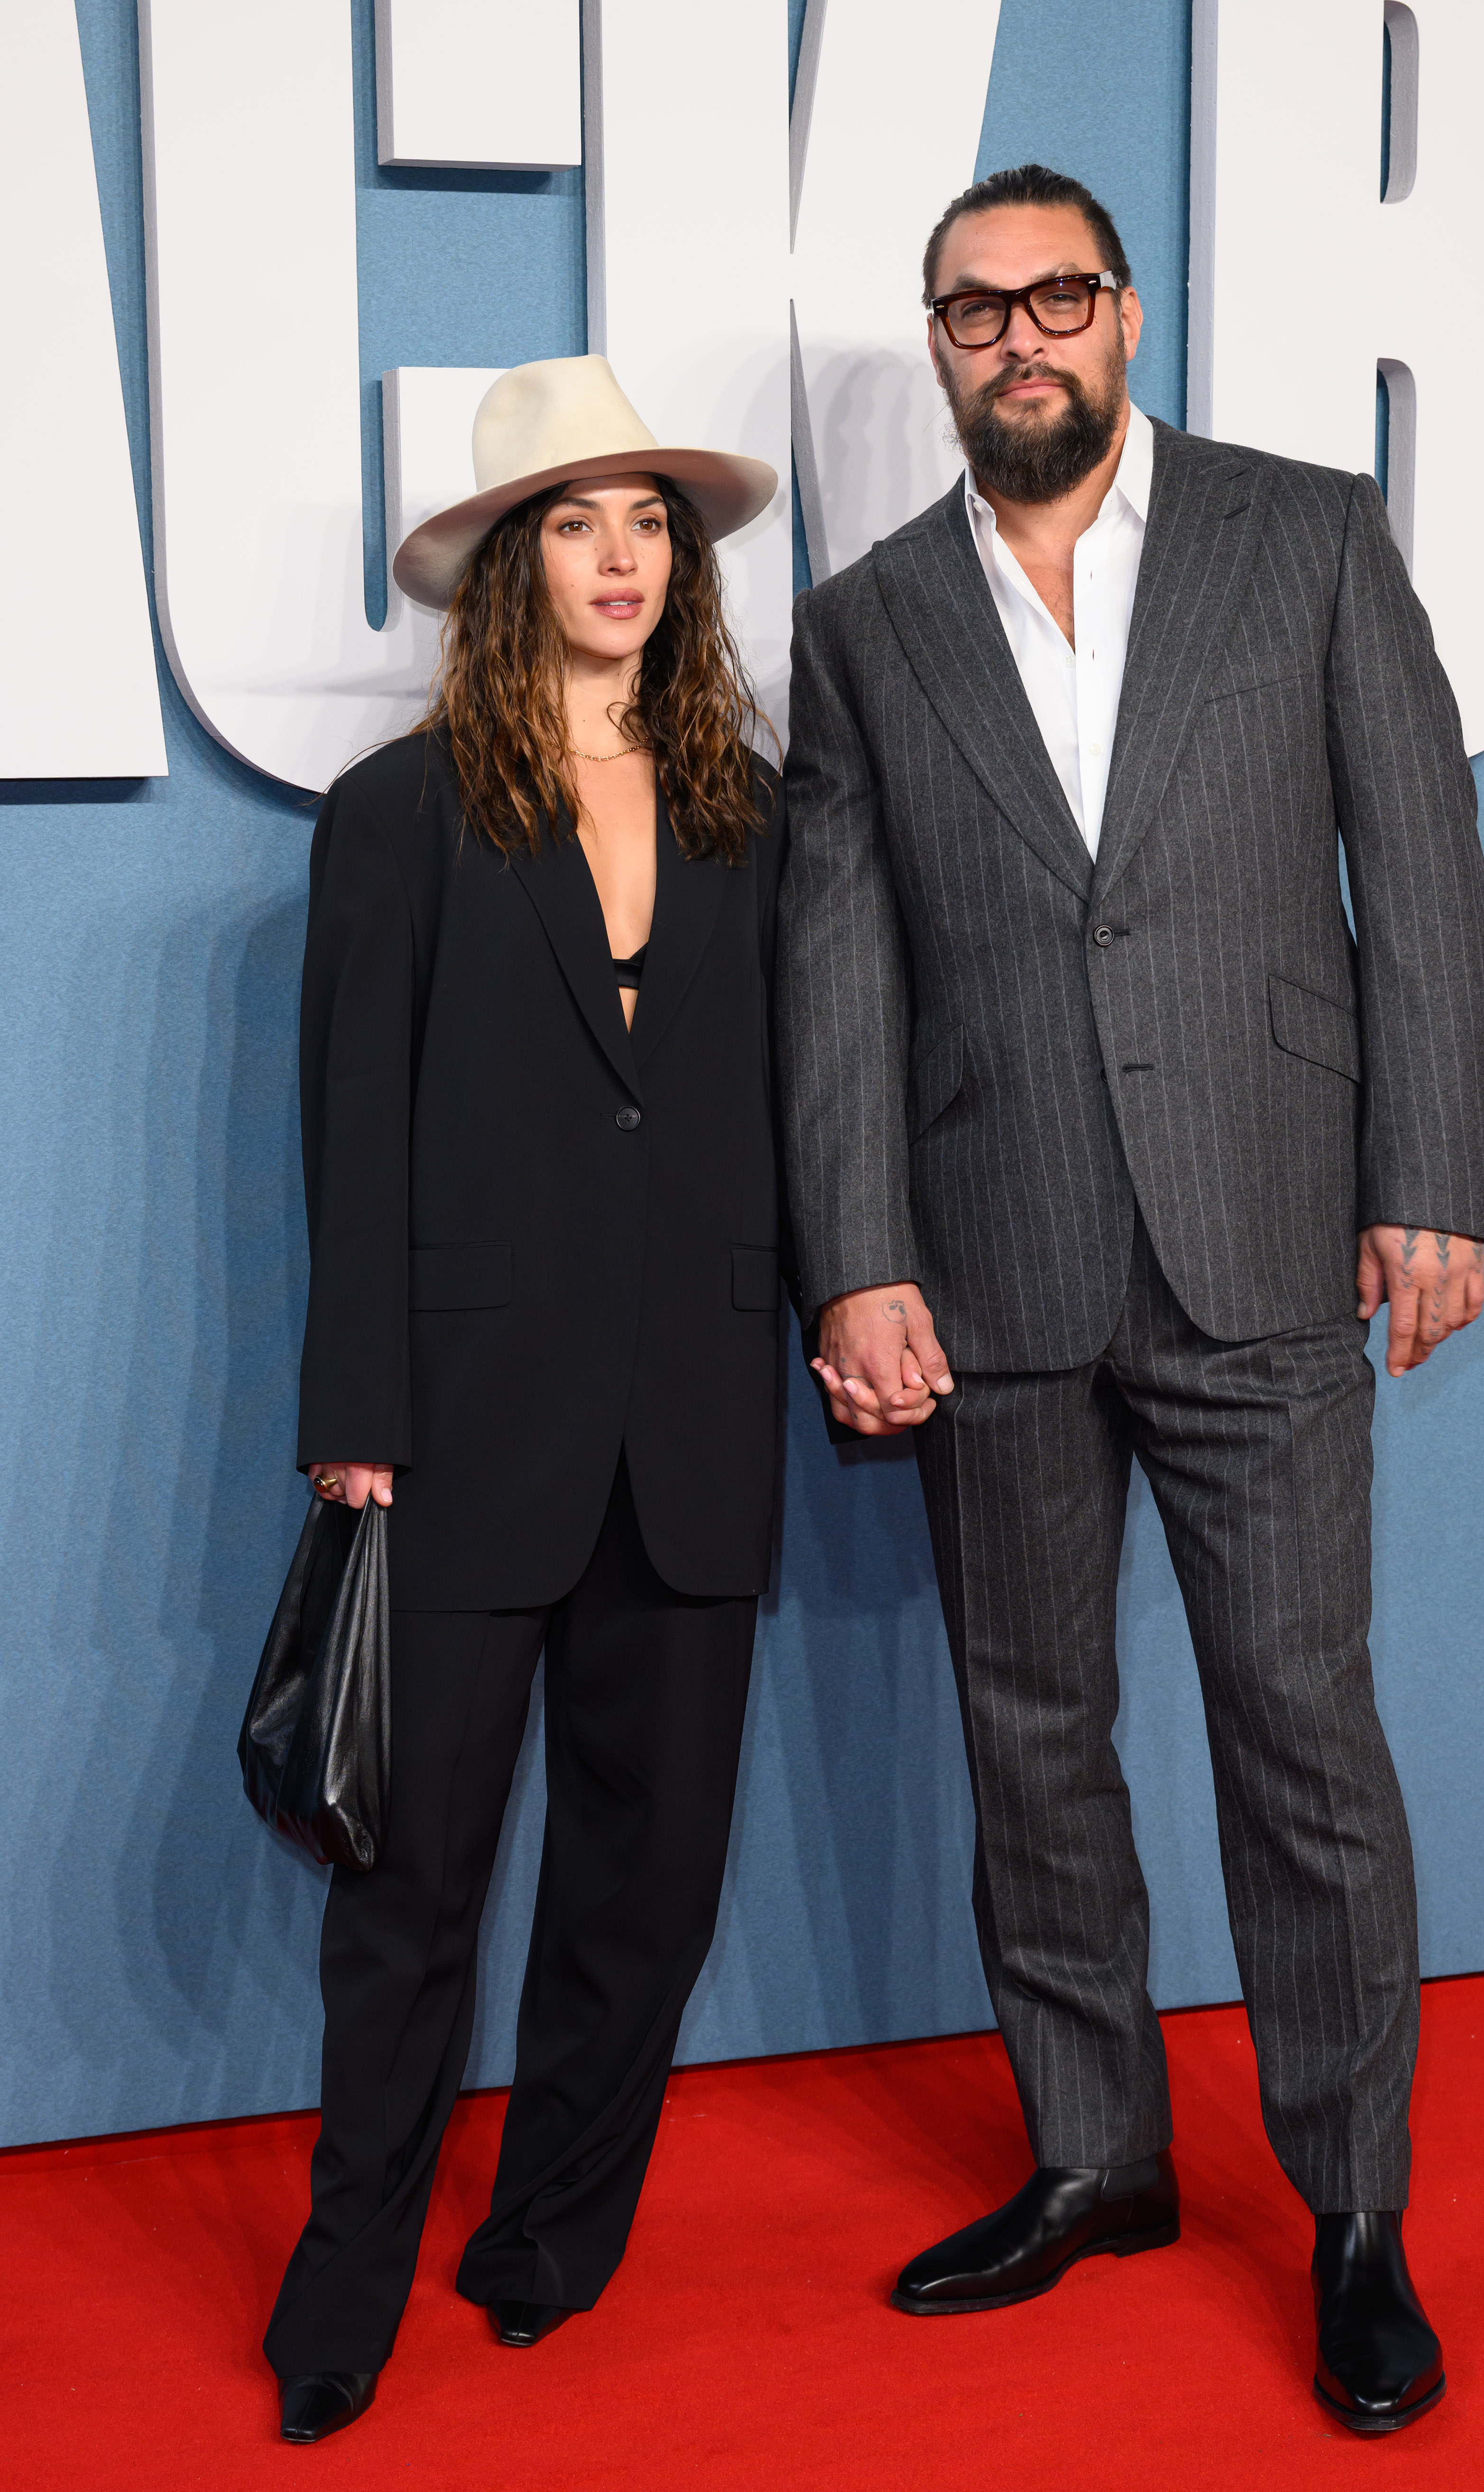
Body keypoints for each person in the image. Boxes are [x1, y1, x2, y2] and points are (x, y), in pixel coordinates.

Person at [777, 166, 1484, 2436]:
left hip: (1264, 1231)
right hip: (988, 1267)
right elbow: (836, 957)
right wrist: (858, 1250)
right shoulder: (868, 619)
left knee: (1299, 1735)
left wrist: (1430, 1180)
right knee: (1032, 1741)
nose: (1018, 341)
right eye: (972, 312)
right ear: (937, 346)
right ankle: (1092, 2154)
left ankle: (1355, 2210)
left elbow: (1425, 874)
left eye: (1054, 298)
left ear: (1125, 313)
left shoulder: (1301, 540)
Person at [265, 356, 784, 2444]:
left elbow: (763, 1104)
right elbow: (350, 1125)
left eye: (648, 520)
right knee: (412, 1895)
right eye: (578, 523)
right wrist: (355, 1402)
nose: (622, 558)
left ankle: (553, 2235)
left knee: (646, 1885)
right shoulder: (400, 815)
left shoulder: (753, 801)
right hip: (465, 1426)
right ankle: (344, 2282)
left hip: (697, 1427)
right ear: (505, 566)